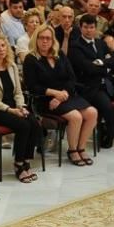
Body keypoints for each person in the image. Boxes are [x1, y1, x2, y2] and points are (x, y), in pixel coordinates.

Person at [23, 23, 98, 166]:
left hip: (65, 96)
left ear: (53, 40)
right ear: (36, 39)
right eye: (41, 38)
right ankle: (72, 150)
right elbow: (32, 87)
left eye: (48, 38)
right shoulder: (31, 59)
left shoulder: (59, 55)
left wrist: (63, 93)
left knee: (92, 113)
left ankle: (81, 147)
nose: (45, 41)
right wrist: (55, 93)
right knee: (75, 116)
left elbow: (71, 78)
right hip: (45, 99)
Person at [0, 31, 42, 183]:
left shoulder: (11, 65)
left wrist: (21, 106)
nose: (1, 49)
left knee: (33, 122)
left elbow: (18, 92)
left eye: (3, 45)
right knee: (23, 125)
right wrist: (10, 109)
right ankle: (19, 164)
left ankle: (25, 159)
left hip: (14, 106)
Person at [68, 14, 114, 148]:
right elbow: (88, 68)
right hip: (90, 87)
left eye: (91, 27)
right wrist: (106, 67)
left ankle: (108, 130)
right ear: (80, 28)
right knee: (108, 107)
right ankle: (108, 133)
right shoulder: (75, 47)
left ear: (95, 28)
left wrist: (101, 62)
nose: (89, 30)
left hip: (108, 84)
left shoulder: (100, 43)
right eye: (86, 27)